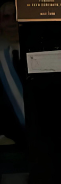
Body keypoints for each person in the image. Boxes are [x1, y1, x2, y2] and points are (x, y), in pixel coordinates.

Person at [0, 0, 23, 147]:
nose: (12, 23)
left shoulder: (46, 56)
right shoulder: (1, 61)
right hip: (12, 146)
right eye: (5, 17)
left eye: (16, 16)